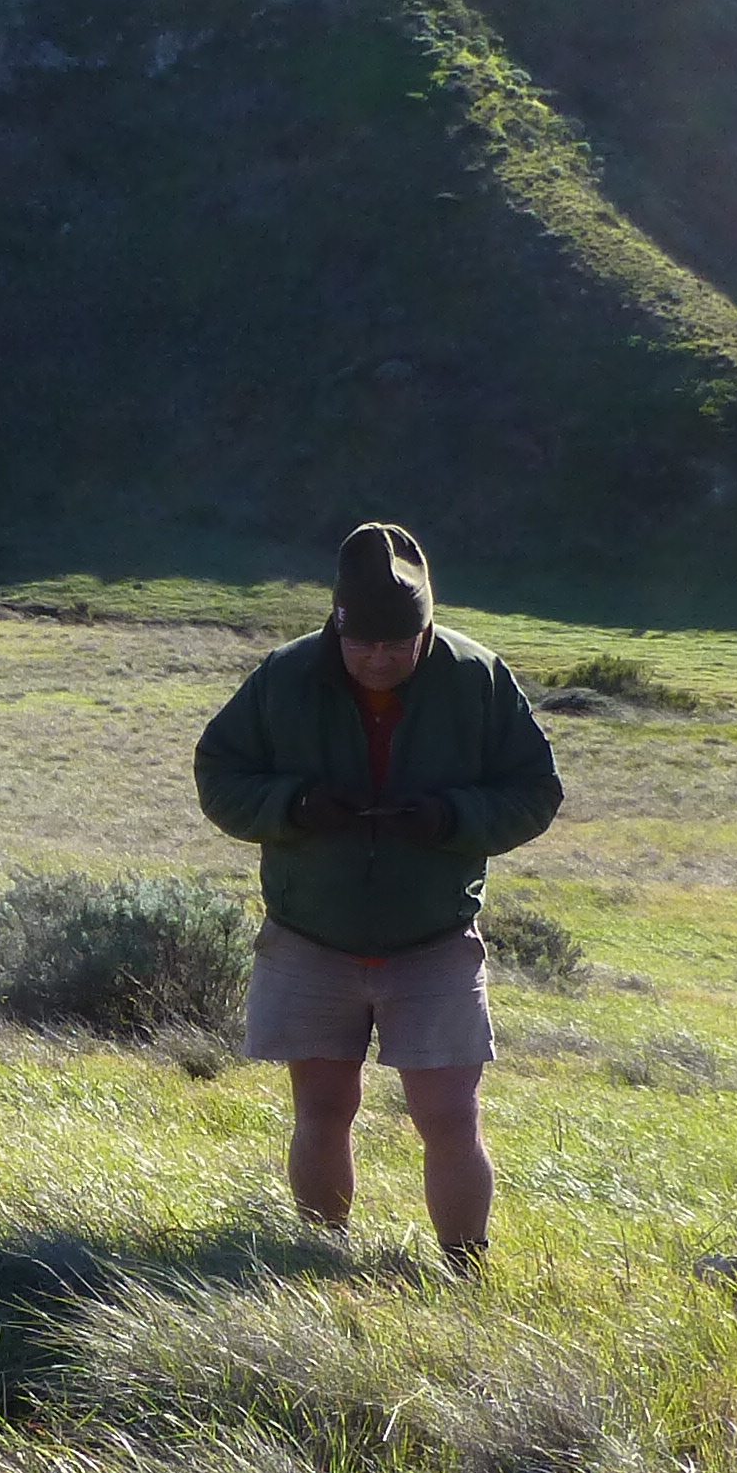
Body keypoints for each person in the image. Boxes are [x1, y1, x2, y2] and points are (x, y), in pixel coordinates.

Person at [190, 523, 562, 1268]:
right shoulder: (285, 675)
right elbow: (220, 775)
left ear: (427, 628)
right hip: (309, 936)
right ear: (337, 622)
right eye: (362, 643)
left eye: (399, 643)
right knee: (323, 1109)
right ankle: (322, 1257)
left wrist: (453, 818)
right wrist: (294, 805)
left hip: (434, 940)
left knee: (450, 1117)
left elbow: (534, 792)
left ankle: (465, 1269)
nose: (379, 659)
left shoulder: (478, 677)